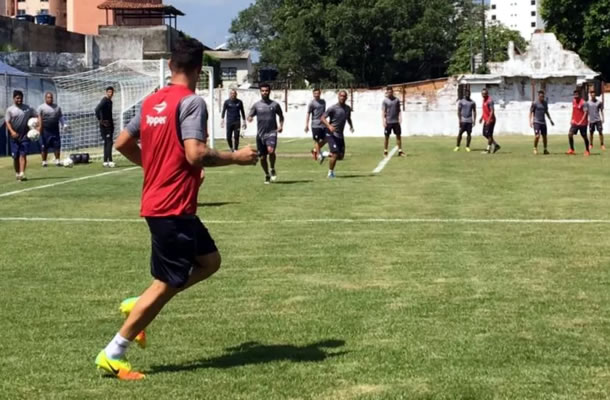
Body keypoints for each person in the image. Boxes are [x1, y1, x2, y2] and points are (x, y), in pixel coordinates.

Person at [95, 37, 258, 381]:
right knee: (168, 282)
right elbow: (196, 153)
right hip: (171, 208)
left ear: (170, 66)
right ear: (200, 70)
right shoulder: (192, 102)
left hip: (169, 205)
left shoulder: (152, 100)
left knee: (209, 262)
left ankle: (141, 304)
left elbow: (123, 142)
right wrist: (237, 158)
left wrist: (154, 168)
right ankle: (114, 351)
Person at [247, 83, 284, 184]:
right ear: (260, 92)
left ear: (269, 91)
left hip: (272, 132)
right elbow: (250, 115)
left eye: (266, 91)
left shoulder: (275, 105)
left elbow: (281, 116)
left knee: (271, 151)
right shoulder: (256, 105)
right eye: (262, 91)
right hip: (260, 135)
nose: (264, 92)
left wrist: (281, 126)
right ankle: (267, 174)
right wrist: (249, 118)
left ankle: (272, 168)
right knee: (262, 157)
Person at [321, 90, 354, 178]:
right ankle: (330, 173)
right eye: (341, 96)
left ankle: (325, 154)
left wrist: (351, 126)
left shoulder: (347, 108)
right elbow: (323, 118)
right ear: (338, 97)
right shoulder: (333, 108)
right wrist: (329, 126)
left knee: (340, 156)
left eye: (344, 96)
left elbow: (348, 118)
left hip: (340, 134)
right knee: (335, 153)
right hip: (331, 133)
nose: (342, 97)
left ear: (346, 98)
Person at [6, 90, 37, 181]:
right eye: (17, 98)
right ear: (14, 98)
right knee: (15, 157)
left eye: (21, 98)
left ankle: (22, 173)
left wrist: (37, 127)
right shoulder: (10, 110)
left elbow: (37, 116)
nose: (19, 100)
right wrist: (12, 132)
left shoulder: (28, 108)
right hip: (14, 136)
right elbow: (7, 122)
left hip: (24, 135)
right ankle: (17, 173)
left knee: (23, 154)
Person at [37, 92, 65, 166]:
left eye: (51, 97)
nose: (50, 99)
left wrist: (64, 124)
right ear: (45, 98)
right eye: (48, 97)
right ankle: (44, 162)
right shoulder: (41, 107)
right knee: (44, 146)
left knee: (57, 145)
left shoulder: (57, 107)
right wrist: (39, 128)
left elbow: (60, 117)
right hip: (45, 130)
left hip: (55, 129)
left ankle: (57, 161)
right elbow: (39, 118)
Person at [305, 88, 328, 163]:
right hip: (315, 124)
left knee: (327, 138)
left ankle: (315, 150)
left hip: (323, 124)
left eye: (318, 93)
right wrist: (307, 125)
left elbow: (324, 113)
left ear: (320, 93)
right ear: (313, 94)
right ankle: (319, 155)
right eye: (315, 93)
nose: (316, 95)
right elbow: (308, 113)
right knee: (317, 140)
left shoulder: (323, 102)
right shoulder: (312, 103)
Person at [95, 86, 116, 167]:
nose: (111, 94)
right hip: (105, 125)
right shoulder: (104, 100)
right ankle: (110, 161)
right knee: (109, 142)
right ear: (106, 92)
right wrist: (101, 120)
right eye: (109, 92)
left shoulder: (110, 101)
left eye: (112, 92)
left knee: (107, 142)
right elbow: (97, 109)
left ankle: (105, 161)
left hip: (109, 124)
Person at [529, 90, 554, 155]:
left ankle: (545, 149)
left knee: (544, 136)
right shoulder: (535, 103)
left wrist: (550, 120)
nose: (542, 97)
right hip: (536, 122)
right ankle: (535, 148)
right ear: (538, 96)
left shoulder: (545, 103)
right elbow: (531, 112)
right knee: (537, 136)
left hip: (543, 122)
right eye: (541, 96)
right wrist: (530, 121)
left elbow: (546, 112)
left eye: (543, 96)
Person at [382, 86, 405, 157]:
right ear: (387, 92)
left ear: (392, 92)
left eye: (391, 92)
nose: (389, 93)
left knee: (398, 136)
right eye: (388, 92)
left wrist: (400, 117)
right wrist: (383, 120)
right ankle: (385, 151)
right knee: (386, 137)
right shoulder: (385, 101)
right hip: (388, 122)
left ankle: (400, 151)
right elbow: (383, 111)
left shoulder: (397, 100)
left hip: (396, 121)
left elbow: (399, 110)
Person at [566, 89, 590, 156]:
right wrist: (572, 119)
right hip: (575, 122)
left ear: (579, 95)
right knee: (570, 134)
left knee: (584, 136)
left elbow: (585, 113)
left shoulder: (583, 103)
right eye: (574, 94)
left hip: (583, 123)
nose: (575, 95)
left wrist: (581, 121)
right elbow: (573, 111)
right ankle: (572, 149)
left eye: (577, 94)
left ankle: (587, 150)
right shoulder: (573, 101)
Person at [479, 88, 500, 154]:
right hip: (486, 119)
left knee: (489, 134)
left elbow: (492, 111)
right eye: (482, 94)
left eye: (485, 94)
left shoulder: (490, 101)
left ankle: (488, 149)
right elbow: (485, 111)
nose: (483, 95)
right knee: (484, 134)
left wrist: (488, 120)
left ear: (487, 94)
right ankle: (496, 145)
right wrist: (481, 117)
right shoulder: (484, 100)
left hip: (491, 120)